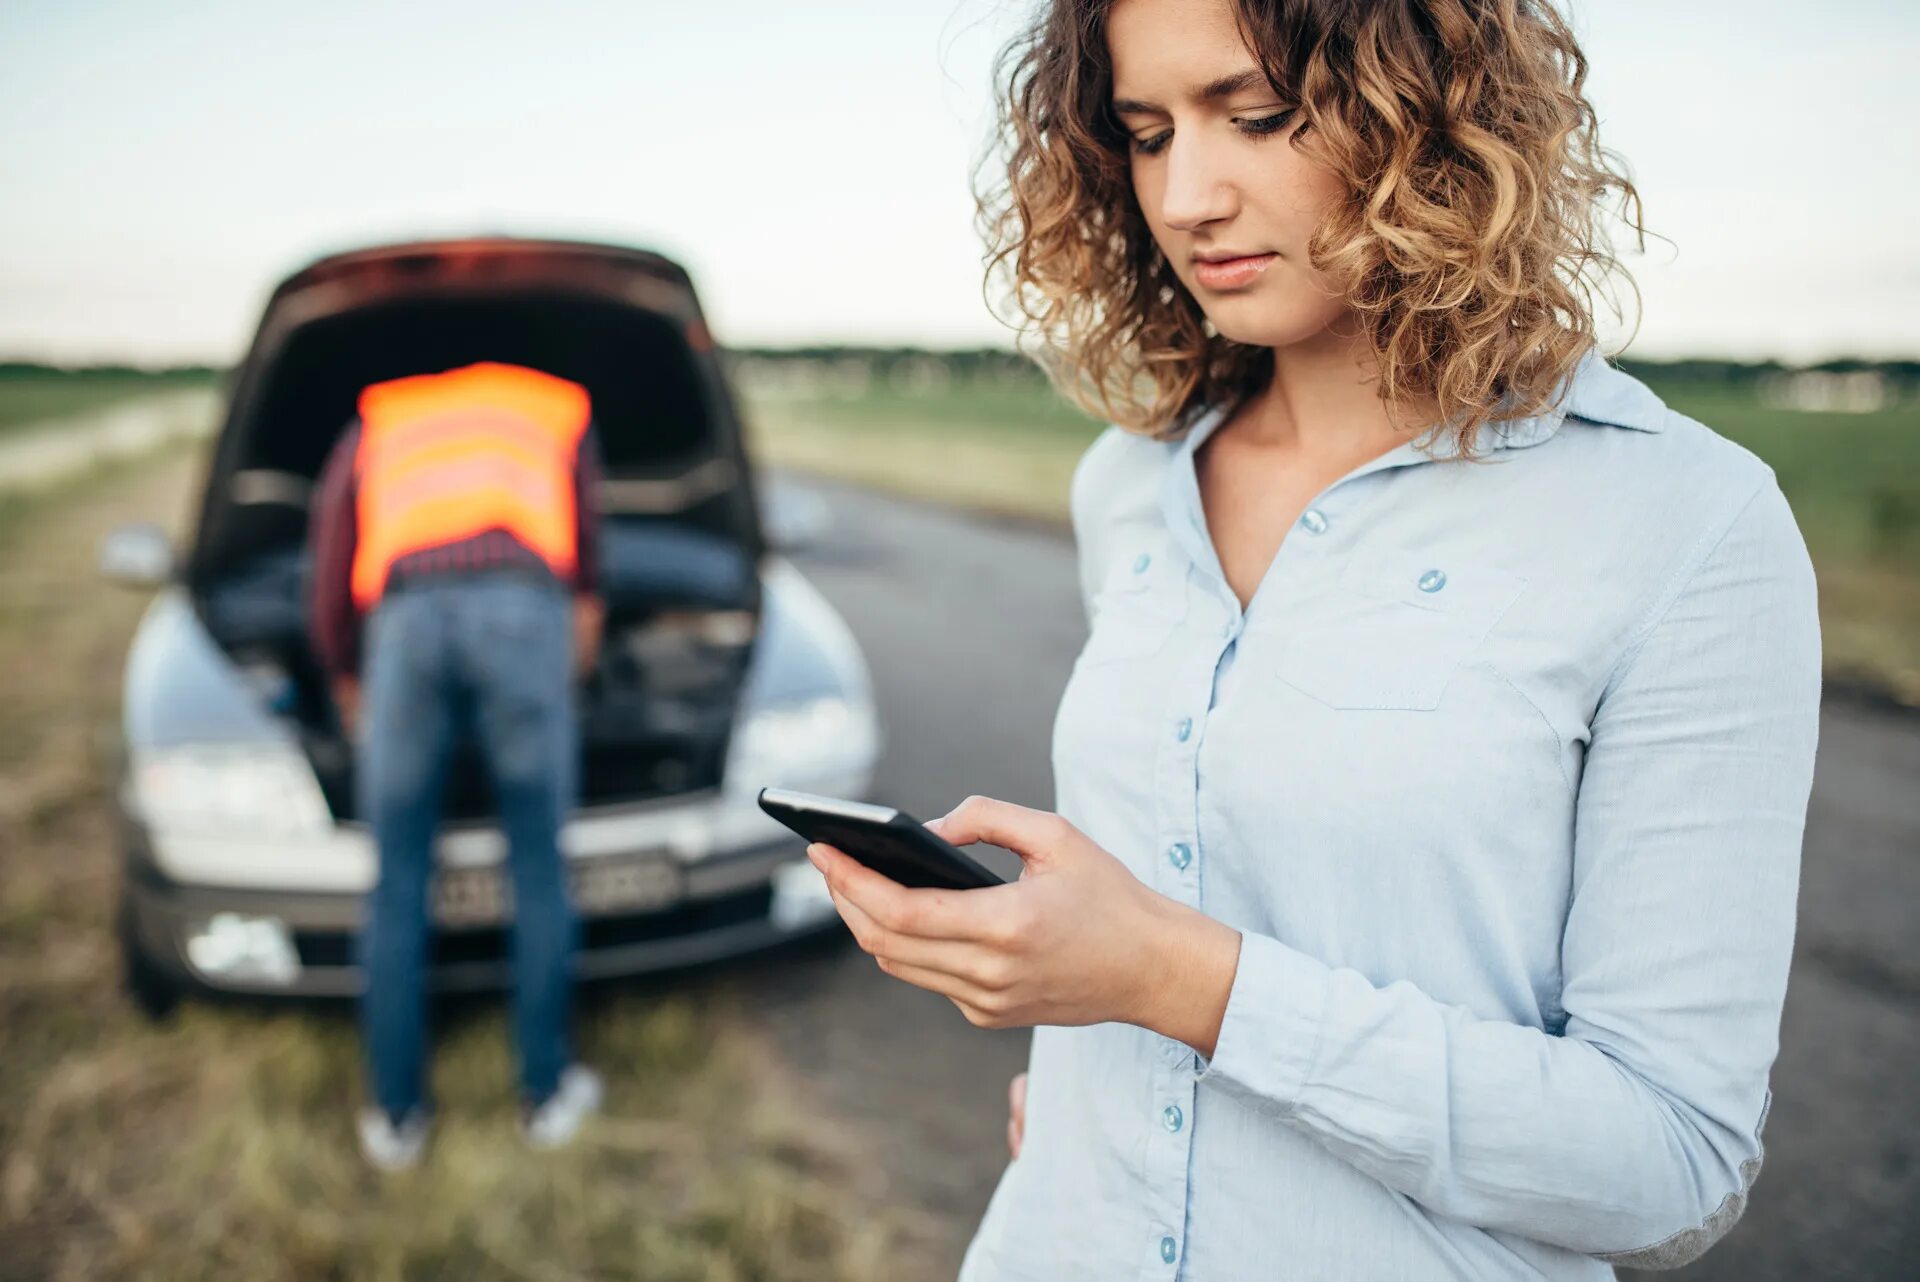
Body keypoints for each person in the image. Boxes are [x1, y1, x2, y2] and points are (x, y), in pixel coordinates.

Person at [802, 0, 1821, 1277]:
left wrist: (1173, 980)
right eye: (1146, 131)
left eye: (1258, 116)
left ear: (1433, 111)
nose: (1184, 197)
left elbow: (1672, 1165)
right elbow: (1192, 871)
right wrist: (1086, 1087)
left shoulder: (1684, 525)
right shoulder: (1128, 483)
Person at [307, 360, 608, 1170]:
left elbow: (333, 547)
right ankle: (545, 1094)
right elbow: (588, 537)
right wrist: (583, 629)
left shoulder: (382, 414)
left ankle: (395, 1116)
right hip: (522, 608)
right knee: (538, 863)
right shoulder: (554, 404)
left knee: (398, 872)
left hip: (405, 621)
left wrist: (343, 670)